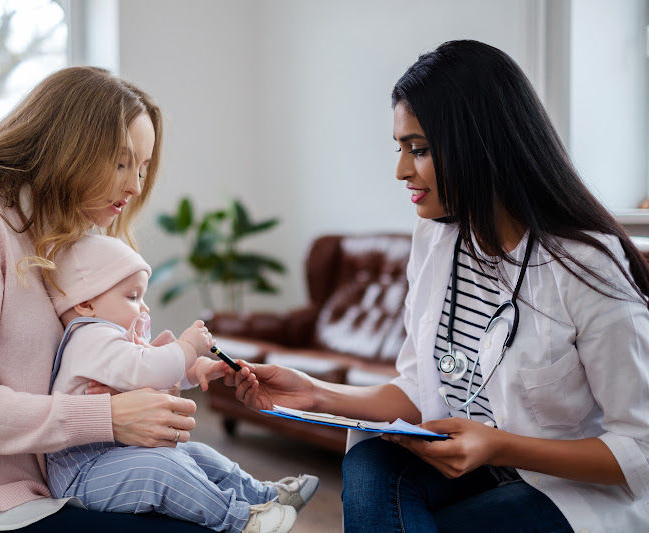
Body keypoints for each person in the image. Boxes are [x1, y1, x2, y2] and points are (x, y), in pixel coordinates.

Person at [225, 40, 649, 532]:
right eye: (401, 149)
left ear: (479, 143)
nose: (401, 170)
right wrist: (315, 393)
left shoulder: (585, 266)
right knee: (369, 462)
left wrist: (499, 445)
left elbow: (639, 448)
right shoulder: (437, 237)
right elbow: (415, 389)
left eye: (419, 150)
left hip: (570, 491)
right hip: (476, 468)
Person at [0, 66, 218, 532]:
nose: (134, 187)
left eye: (143, 167)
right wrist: (107, 417)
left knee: (209, 505)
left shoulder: (54, 238)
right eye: (120, 162)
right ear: (70, 149)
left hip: (42, 489)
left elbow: (56, 377)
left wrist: (154, 376)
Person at [44, 234, 319, 533]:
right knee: (162, 469)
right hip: (83, 473)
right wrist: (188, 346)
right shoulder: (90, 338)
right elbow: (145, 369)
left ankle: (263, 495)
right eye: (133, 297)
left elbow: (152, 365)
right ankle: (239, 520)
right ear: (86, 303)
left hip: (114, 455)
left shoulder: (112, 339)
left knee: (197, 455)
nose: (144, 308)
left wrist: (198, 368)